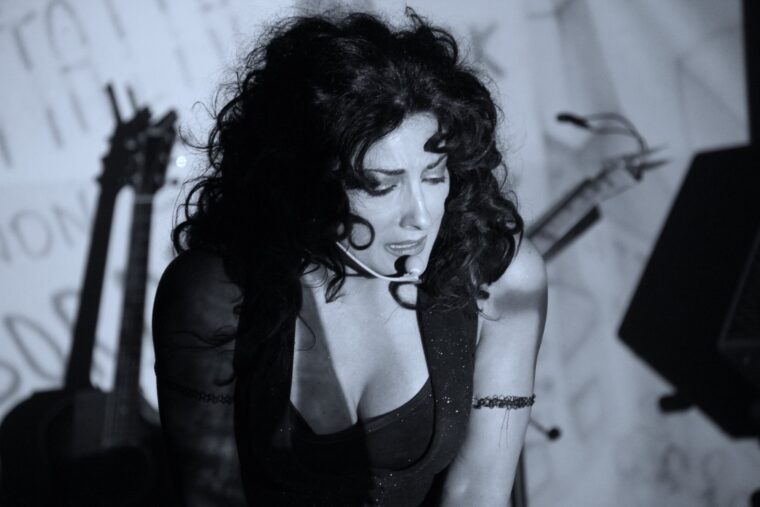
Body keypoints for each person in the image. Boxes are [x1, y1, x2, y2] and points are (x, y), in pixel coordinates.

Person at [152, 8, 547, 506]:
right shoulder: (215, 289)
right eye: (380, 185)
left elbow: (479, 492)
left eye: (434, 176)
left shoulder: (498, 277)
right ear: (305, 179)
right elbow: (210, 495)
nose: (421, 216)